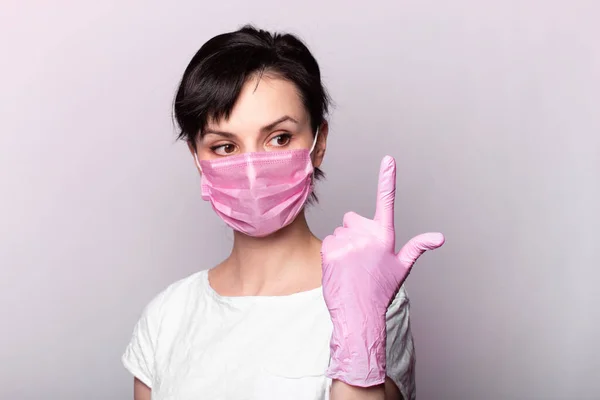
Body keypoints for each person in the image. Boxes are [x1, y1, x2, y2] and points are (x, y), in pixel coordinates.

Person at [122, 25, 444, 400]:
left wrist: (360, 329)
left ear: (318, 143)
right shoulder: (166, 317)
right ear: (197, 159)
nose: (253, 168)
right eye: (225, 147)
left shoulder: (367, 294)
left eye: (279, 138)